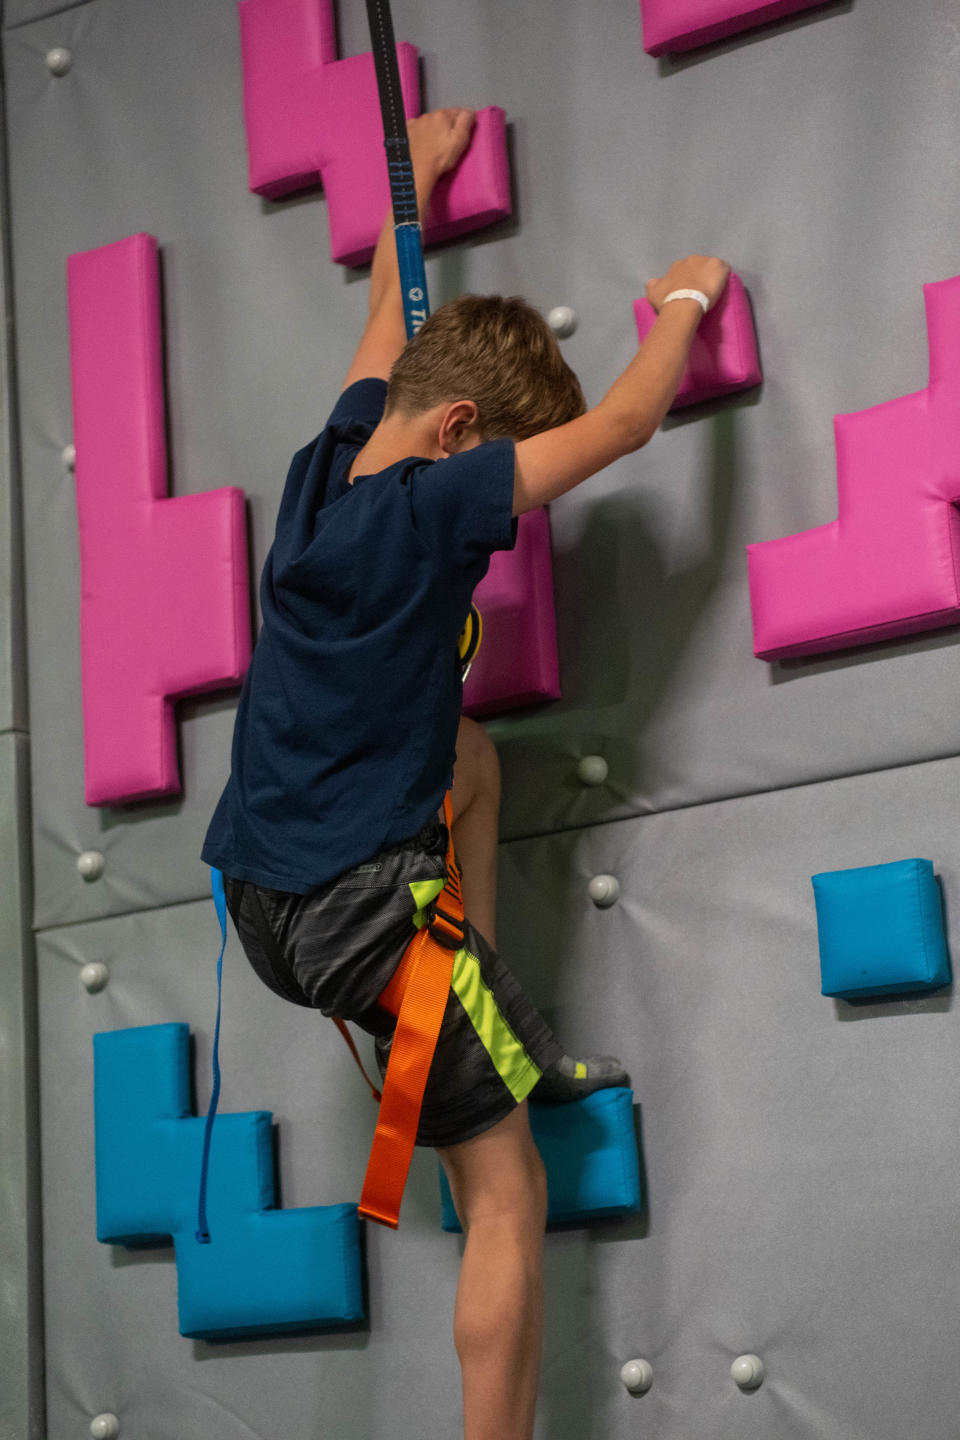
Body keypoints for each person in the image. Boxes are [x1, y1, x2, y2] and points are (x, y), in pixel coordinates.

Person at [202, 106, 730, 1440]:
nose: (502, 508)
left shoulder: (329, 464)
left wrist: (414, 183)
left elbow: (390, 311)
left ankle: (461, 1012)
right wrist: (684, 299)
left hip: (260, 896)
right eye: (496, 467)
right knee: (509, 1197)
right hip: (358, 918)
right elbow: (619, 425)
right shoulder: (432, 501)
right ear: (455, 439)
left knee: (473, 758)